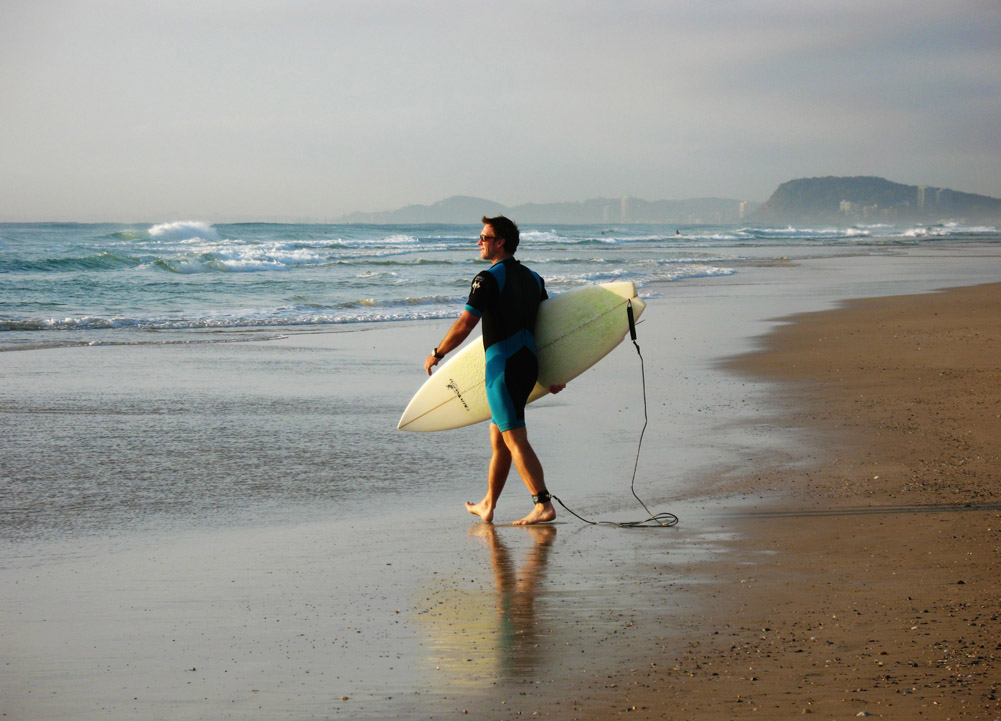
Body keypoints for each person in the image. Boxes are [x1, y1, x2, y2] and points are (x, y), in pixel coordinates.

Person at [424, 216, 564, 526]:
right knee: (499, 435)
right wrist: (551, 373)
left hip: (502, 370)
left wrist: (439, 352)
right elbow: (548, 328)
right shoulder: (534, 279)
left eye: (484, 238)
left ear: (500, 242)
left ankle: (542, 503)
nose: (479, 243)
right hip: (528, 366)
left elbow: (465, 323)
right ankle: (488, 503)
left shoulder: (487, 280)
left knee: (514, 439)